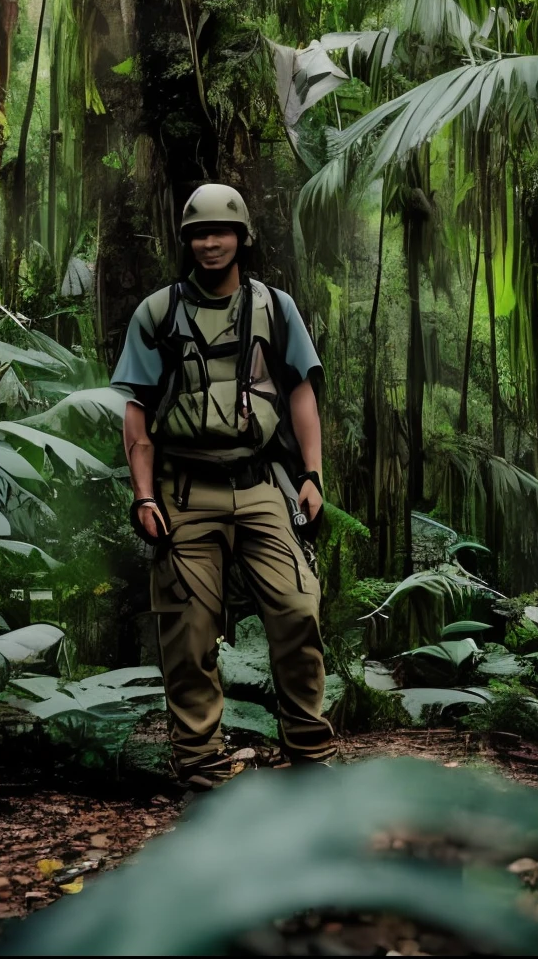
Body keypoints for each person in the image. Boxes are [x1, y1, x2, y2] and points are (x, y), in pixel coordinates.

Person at [114, 182, 335, 788]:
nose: (210, 243)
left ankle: (309, 752)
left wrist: (312, 475)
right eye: (199, 233)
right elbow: (137, 408)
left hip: (262, 481)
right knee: (188, 630)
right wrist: (144, 494)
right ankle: (201, 762)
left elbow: (300, 391)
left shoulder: (274, 306)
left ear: (241, 237)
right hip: (183, 489)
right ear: (186, 241)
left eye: (221, 232)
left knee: (296, 608)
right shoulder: (158, 313)